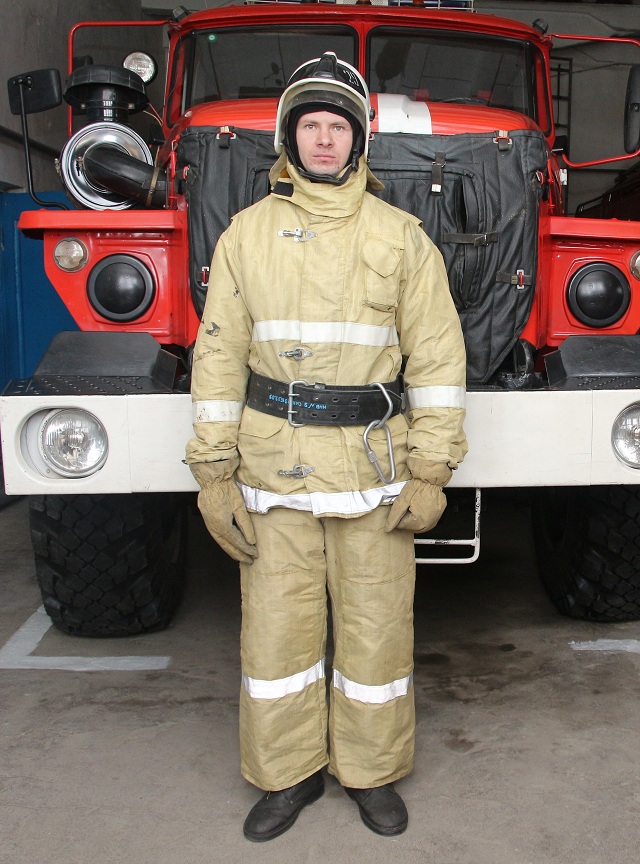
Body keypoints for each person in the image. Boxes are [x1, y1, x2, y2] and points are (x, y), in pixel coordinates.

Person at [184, 52, 467, 842]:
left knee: (377, 632)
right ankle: (287, 776)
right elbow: (216, 359)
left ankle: (370, 772)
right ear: (288, 137)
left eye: (336, 125)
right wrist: (213, 475)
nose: (322, 140)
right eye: (309, 124)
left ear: (358, 139)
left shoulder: (402, 238)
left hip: (373, 470)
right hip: (272, 468)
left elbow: (439, 361)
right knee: (277, 634)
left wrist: (432, 469)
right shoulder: (247, 236)